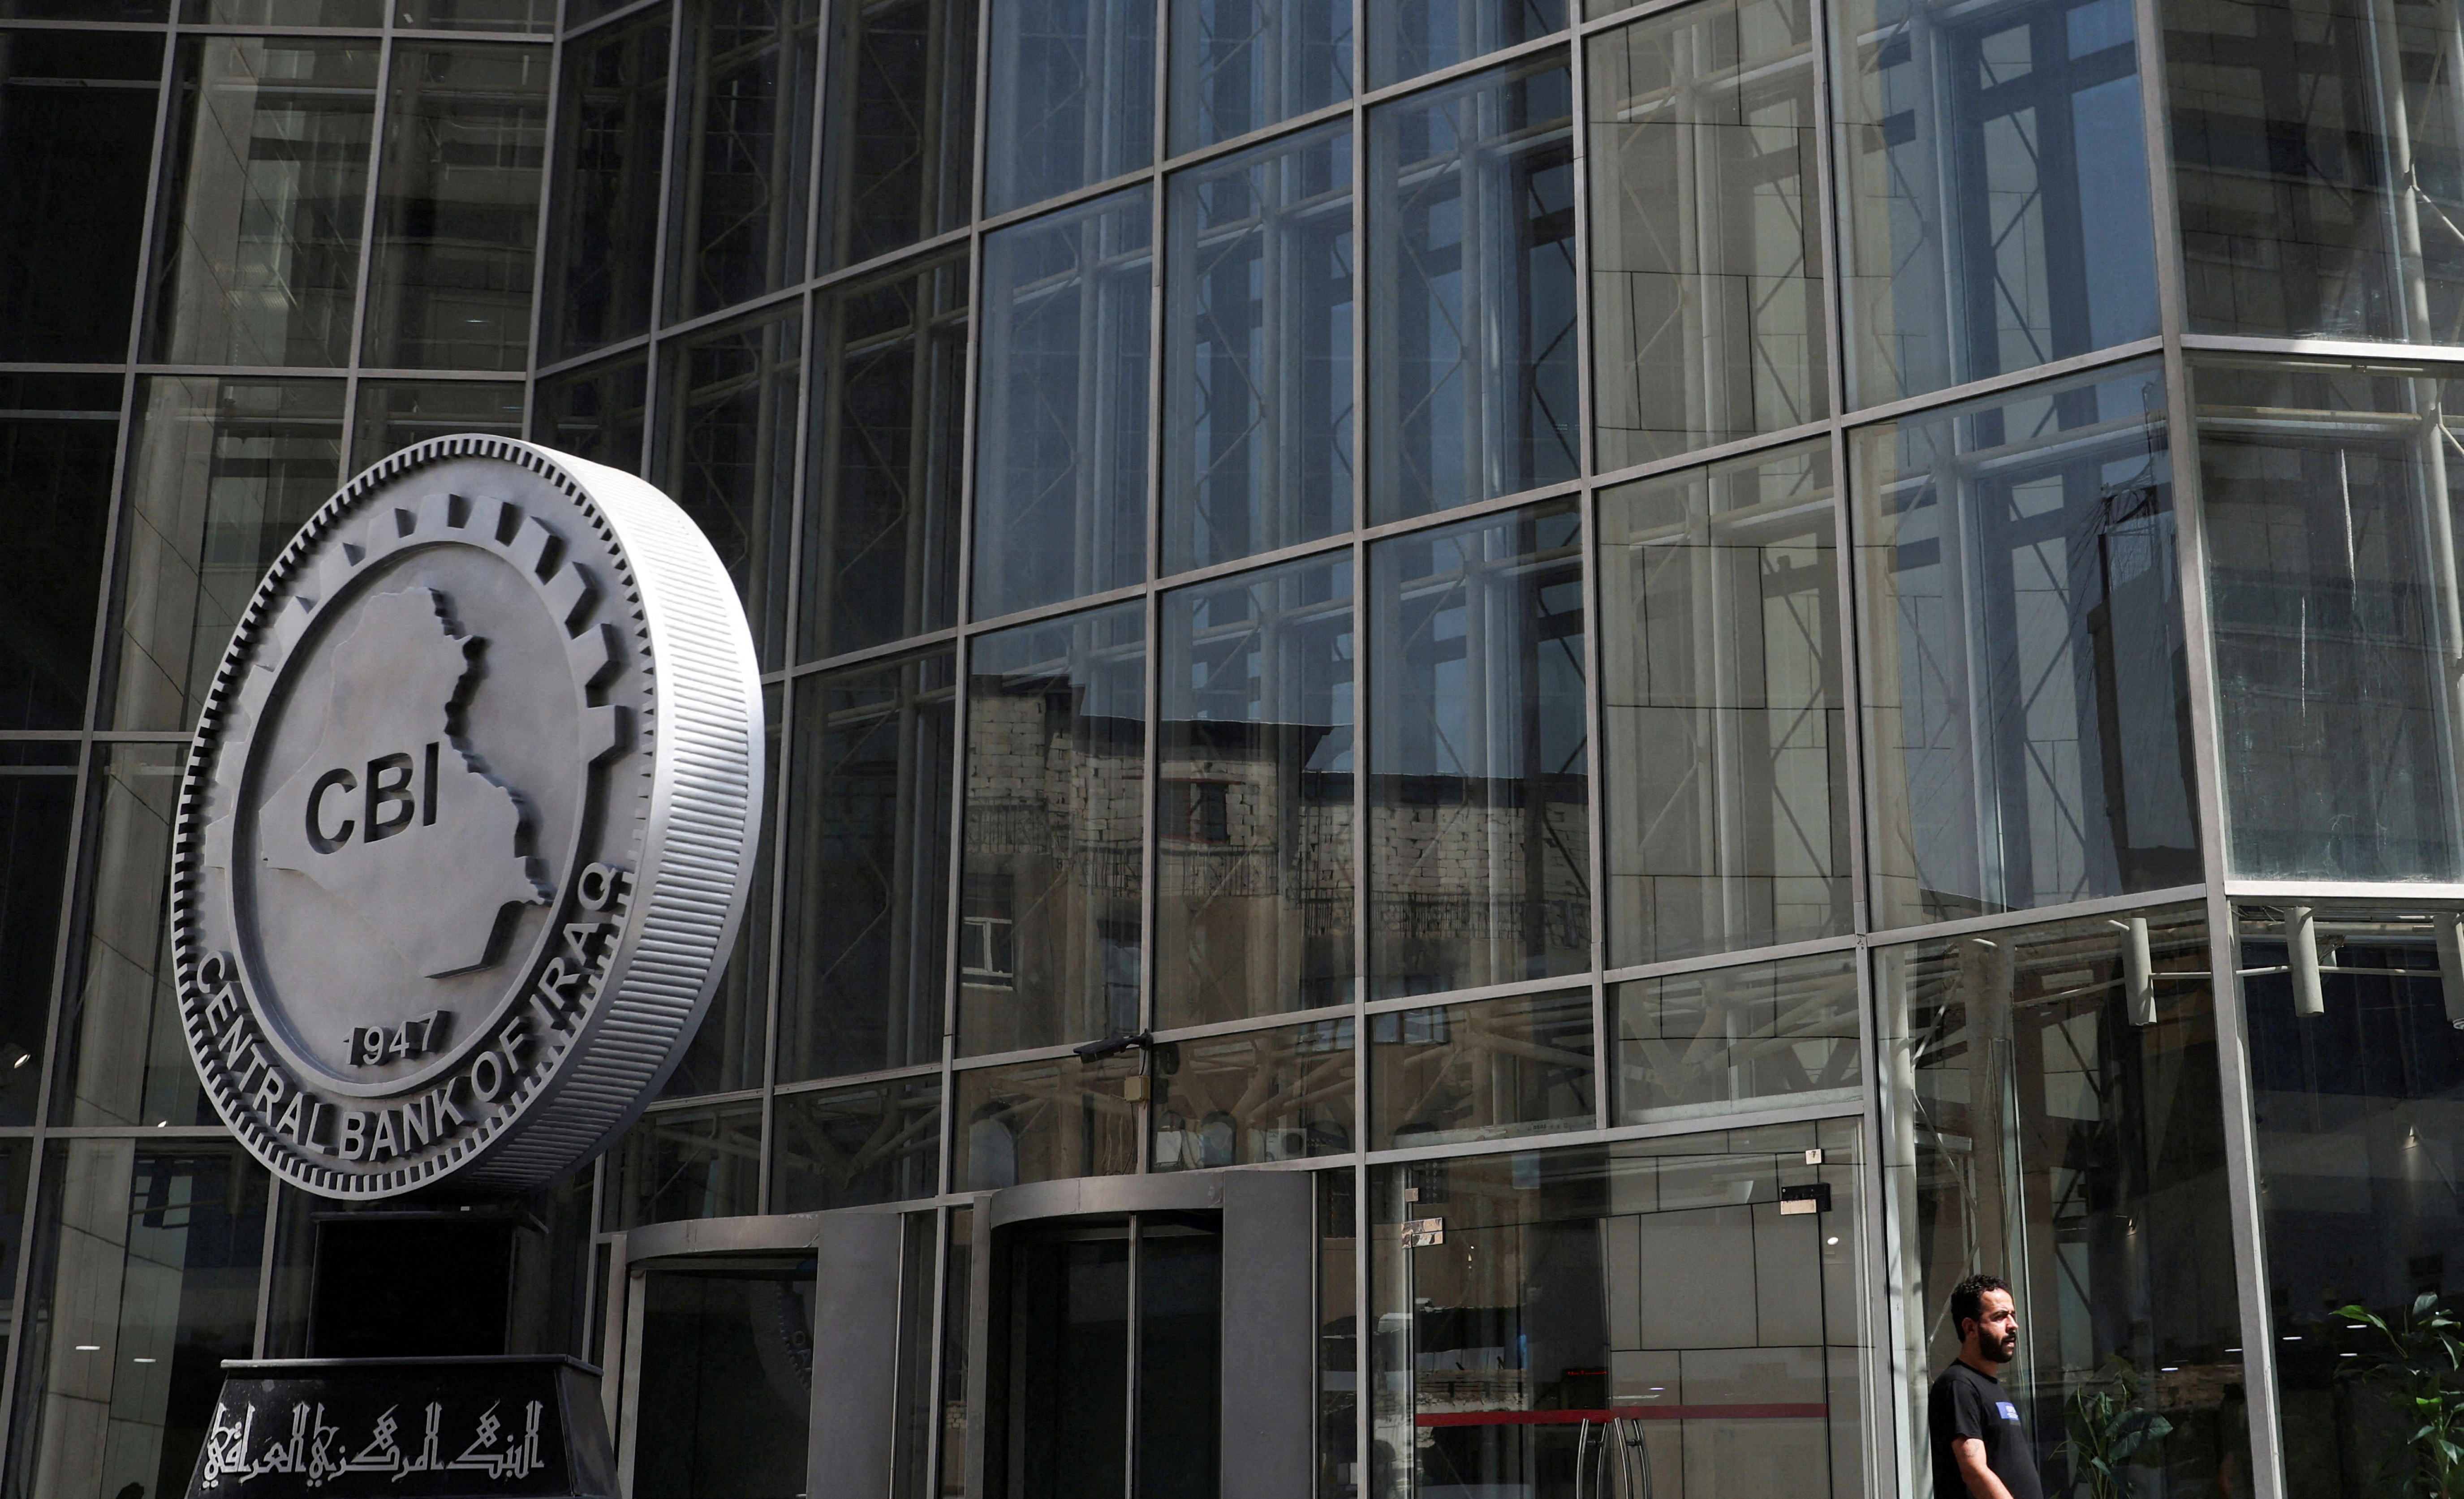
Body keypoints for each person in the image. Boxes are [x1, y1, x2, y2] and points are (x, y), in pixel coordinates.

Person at [1928, 1274, 2042, 1499]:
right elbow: (1974, 1471)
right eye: (2000, 1317)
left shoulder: (1988, 1385)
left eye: (2012, 1315)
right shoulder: (1959, 1385)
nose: (2013, 1325)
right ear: (1970, 1328)